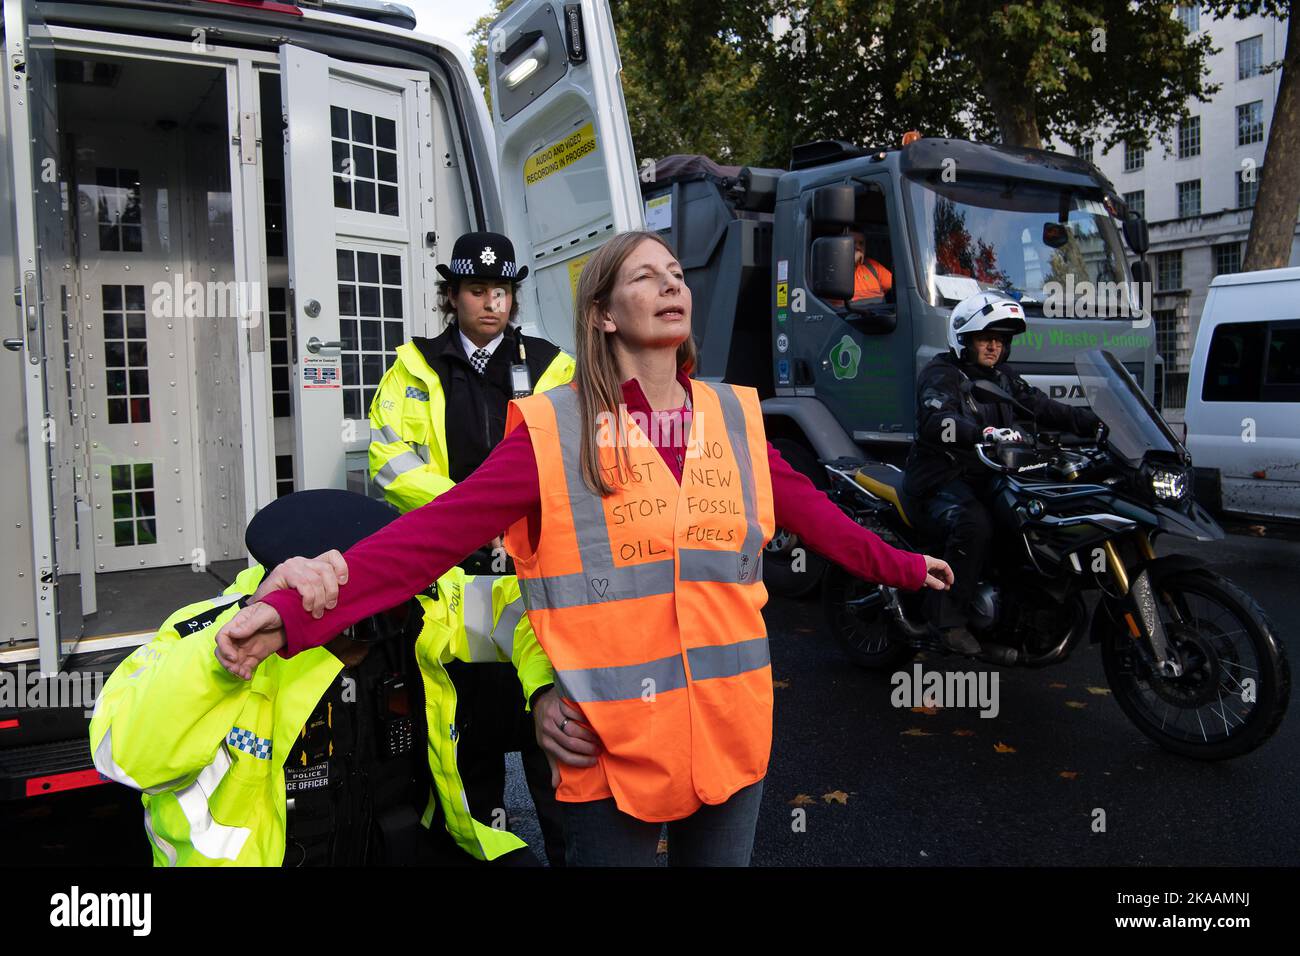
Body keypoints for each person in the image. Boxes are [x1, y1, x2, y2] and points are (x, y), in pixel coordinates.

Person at [215, 230, 954, 867]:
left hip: (731, 735)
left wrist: (907, 568)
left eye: (675, 274)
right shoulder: (553, 431)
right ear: (601, 314)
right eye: (644, 276)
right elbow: (422, 542)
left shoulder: (735, 418)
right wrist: (295, 609)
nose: (669, 284)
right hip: (606, 742)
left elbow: (819, 520)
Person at [89, 490, 540, 866]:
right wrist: (223, 660)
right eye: (347, 626)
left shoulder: (418, 610)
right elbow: (123, 756)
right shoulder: (211, 633)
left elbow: (535, 608)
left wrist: (544, 692)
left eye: (383, 617)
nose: (365, 648)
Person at [367, 230, 572, 866]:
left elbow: (573, 462)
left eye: (502, 291)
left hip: (535, 577)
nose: (492, 303)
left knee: (554, 732)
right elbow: (389, 462)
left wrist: (508, 524)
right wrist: (468, 518)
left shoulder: (551, 365)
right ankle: (476, 853)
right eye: (477, 290)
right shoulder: (414, 367)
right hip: (456, 582)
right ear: (451, 295)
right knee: (467, 733)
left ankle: (568, 850)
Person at [901, 291, 1101, 657]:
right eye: (985, 338)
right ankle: (949, 621)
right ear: (964, 339)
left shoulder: (1004, 377)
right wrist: (980, 433)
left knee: (1030, 517)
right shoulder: (942, 373)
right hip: (939, 478)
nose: (994, 346)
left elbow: (1041, 406)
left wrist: (1093, 422)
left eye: (1000, 340)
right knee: (975, 525)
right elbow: (936, 420)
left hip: (988, 475)